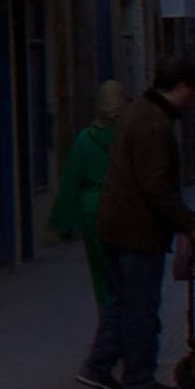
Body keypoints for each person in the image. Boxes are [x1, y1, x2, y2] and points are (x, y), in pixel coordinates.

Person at [78, 58, 195, 389]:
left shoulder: (140, 112)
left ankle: (98, 365)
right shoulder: (153, 123)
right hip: (136, 231)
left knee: (121, 302)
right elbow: (156, 186)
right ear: (181, 88)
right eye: (191, 92)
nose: (192, 100)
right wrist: (191, 224)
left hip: (115, 225)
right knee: (140, 306)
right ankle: (138, 377)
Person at [50, 76, 126, 323]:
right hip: (123, 208)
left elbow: (71, 182)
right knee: (127, 271)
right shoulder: (127, 138)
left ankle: (108, 322)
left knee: (101, 272)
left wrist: (61, 222)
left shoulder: (85, 140)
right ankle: (127, 323)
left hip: (93, 212)